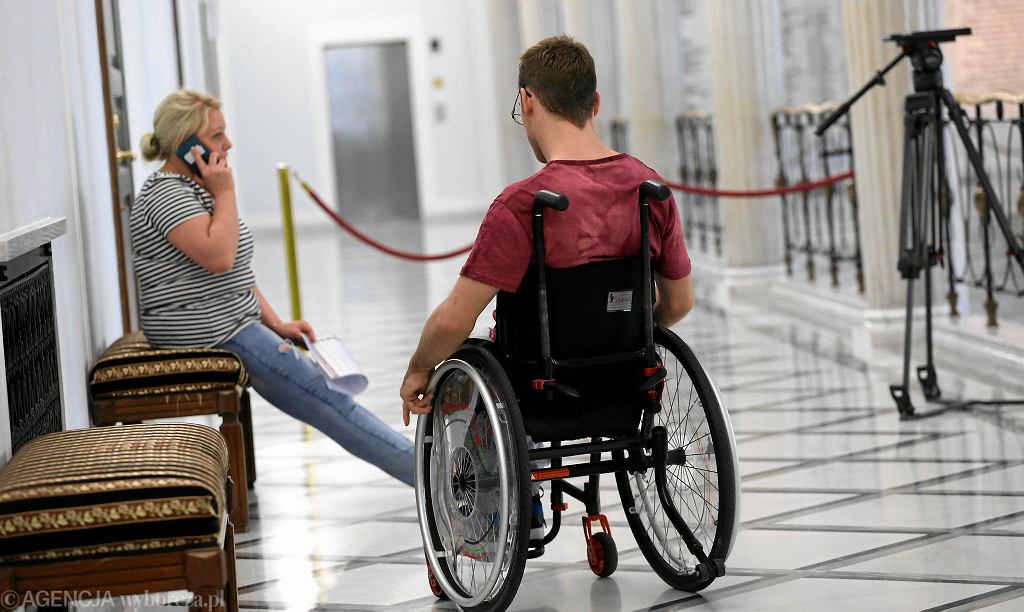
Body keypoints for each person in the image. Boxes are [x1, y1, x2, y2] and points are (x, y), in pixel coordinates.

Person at [400, 36, 694, 541]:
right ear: (594, 103)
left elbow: (456, 318)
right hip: (626, 385)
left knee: (470, 357)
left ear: (529, 100)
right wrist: (624, 335)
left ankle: (510, 514)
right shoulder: (648, 189)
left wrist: (418, 369)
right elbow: (679, 303)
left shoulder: (523, 205)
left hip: (538, 389)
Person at [132, 89, 414, 486]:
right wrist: (225, 192)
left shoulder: (194, 186)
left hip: (227, 320)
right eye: (217, 136)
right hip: (207, 330)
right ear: (185, 144)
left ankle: (430, 475)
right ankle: (437, 480)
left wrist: (275, 323)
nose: (228, 144)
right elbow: (219, 258)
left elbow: (235, 272)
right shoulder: (167, 194)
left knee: (329, 396)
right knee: (330, 401)